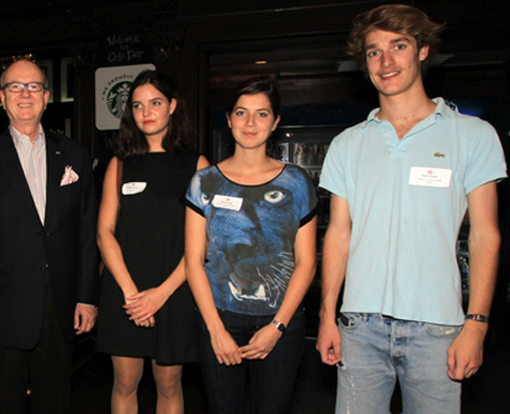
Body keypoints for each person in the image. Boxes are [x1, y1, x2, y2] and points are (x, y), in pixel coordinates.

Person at [315, 5, 507, 413]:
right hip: (359, 327)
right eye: (373, 51)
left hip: (437, 330)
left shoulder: (473, 136)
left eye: (398, 46)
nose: (385, 62)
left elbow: (485, 234)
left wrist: (477, 325)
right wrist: (327, 315)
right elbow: (338, 234)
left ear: (422, 50)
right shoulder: (348, 144)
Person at [0, 58, 99, 414]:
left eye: (33, 86)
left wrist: (87, 297)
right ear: (2, 99)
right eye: (15, 87)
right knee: (3, 404)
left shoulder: (76, 155)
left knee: (55, 402)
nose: (24, 94)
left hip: (61, 304)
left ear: (46, 97)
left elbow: (86, 233)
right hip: (2, 308)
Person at [185, 77, 318, 414]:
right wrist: (215, 329)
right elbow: (193, 260)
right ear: (228, 119)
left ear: (274, 123)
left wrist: (277, 328)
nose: (249, 123)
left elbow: (306, 262)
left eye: (261, 114)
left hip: (280, 319)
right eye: (242, 112)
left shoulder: (297, 181)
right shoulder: (204, 181)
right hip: (219, 317)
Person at [95, 70, 208, 413]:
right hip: (124, 290)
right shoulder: (120, 164)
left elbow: (202, 245)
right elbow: (104, 233)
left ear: (172, 106)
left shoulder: (197, 165)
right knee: (125, 383)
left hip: (173, 290)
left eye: (155, 103)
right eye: (138, 105)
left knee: (168, 385)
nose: (146, 112)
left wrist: (159, 295)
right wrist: (132, 295)